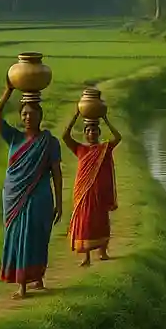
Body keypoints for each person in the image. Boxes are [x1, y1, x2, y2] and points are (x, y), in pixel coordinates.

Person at [0, 82, 63, 298]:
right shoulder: (14, 137)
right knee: (17, 237)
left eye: (32, 114)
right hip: (13, 197)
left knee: (37, 236)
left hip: (39, 197)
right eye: (24, 114)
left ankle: (35, 278)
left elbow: (56, 173)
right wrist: (9, 90)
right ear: (20, 117)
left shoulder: (50, 142)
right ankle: (21, 284)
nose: (28, 117)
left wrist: (59, 201)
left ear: (40, 116)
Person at [62, 111, 122, 266]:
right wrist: (75, 115)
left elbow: (118, 138)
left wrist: (105, 118)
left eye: (94, 130)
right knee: (85, 221)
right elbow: (65, 136)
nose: (91, 133)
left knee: (100, 220)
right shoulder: (80, 149)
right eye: (88, 130)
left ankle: (103, 252)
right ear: (85, 133)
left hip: (99, 192)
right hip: (83, 191)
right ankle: (86, 257)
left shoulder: (104, 148)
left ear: (99, 132)